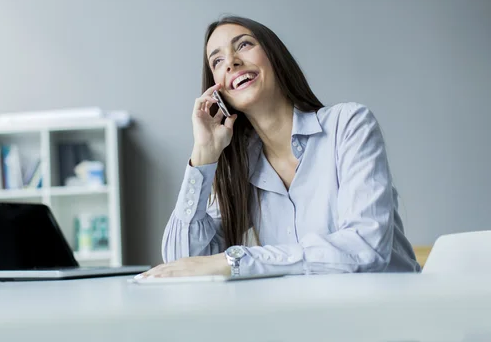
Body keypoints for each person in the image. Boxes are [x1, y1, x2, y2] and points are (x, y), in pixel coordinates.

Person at [141, 16, 421, 279]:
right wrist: (203, 154)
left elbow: (365, 247)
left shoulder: (348, 124)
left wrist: (235, 261)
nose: (231, 63)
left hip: (390, 317)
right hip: (310, 323)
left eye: (244, 45)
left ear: (274, 55)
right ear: (218, 92)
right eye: (217, 61)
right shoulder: (241, 169)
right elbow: (183, 264)